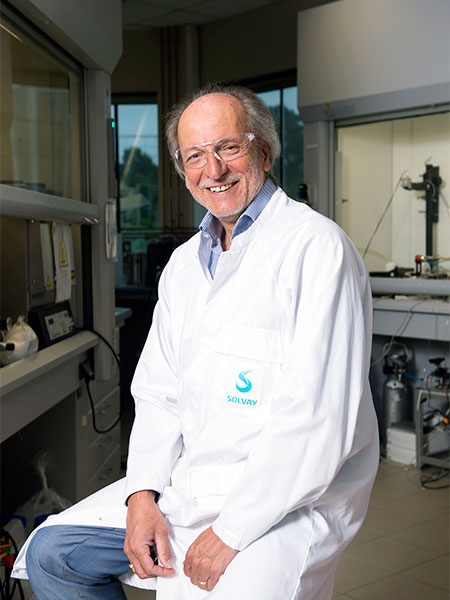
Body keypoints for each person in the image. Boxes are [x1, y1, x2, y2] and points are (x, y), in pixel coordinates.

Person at [13, 84, 379, 599]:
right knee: (55, 555)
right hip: (188, 487)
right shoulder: (184, 264)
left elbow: (320, 419)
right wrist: (142, 495)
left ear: (263, 151)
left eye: (228, 147)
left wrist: (231, 530)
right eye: (195, 156)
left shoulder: (317, 249)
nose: (214, 169)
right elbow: (159, 394)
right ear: (183, 171)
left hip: (284, 504)